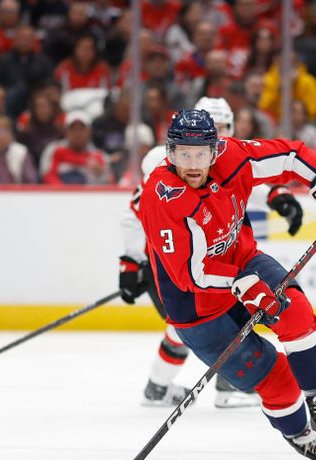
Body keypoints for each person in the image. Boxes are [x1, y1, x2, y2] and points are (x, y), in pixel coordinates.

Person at [137, 108, 316, 460]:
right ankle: (299, 434)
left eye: (201, 153)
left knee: (298, 317)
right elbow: (190, 275)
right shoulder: (162, 195)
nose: (193, 163)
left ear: (215, 150)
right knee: (276, 380)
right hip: (196, 306)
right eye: (184, 154)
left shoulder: (234, 156)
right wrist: (240, 284)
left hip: (243, 260)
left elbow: (291, 155)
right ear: (170, 153)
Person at [119, 97, 304, 409]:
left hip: (216, 260)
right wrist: (131, 261)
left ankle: (166, 386)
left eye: (221, 129)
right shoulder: (168, 161)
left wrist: (276, 194)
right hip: (173, 262)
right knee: (193, 324)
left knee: (232, 309)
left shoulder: (221, 154)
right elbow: (136, 211)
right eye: (211, 126)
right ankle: (213, 382)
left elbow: (241, 180)